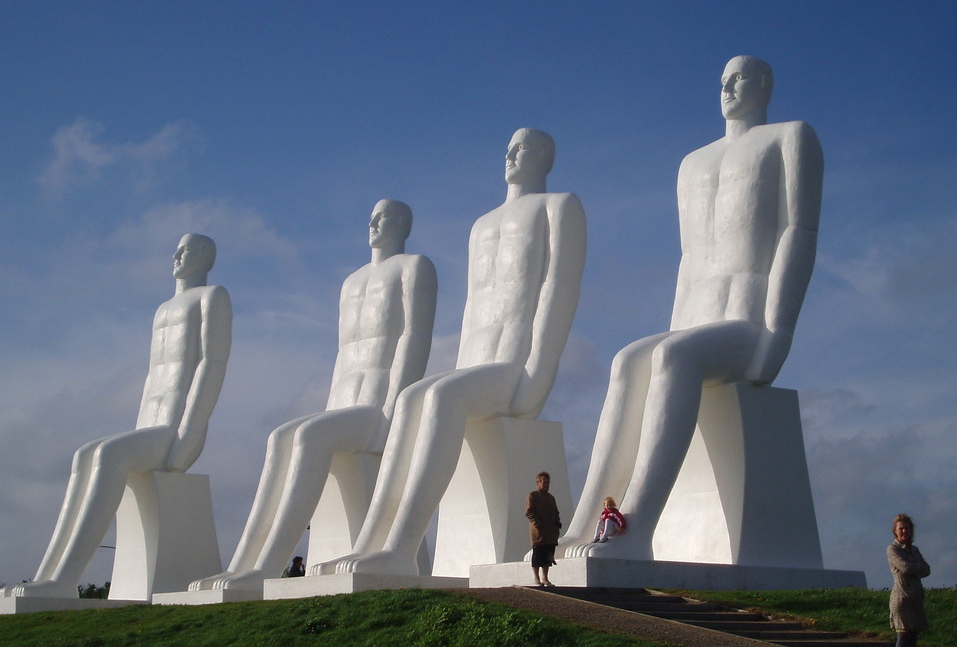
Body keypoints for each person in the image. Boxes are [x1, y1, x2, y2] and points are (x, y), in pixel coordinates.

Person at [561, 56, 823, 561]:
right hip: (697, 319)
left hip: (746, 320)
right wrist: (675, 328)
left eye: (739, 77)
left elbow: (799, 233)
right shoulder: (692, 163)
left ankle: (634, 528)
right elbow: (689, 258)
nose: (727, 87)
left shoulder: (790, 137)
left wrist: (779, 330)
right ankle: (588, 521)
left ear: (765, 84)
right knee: (627, 360)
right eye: (721, 79)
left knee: (673, 357)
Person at [311, 128, 586, 578]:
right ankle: (371, 544)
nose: (512, 155)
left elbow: (559, 288)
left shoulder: (559, 207)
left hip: (513, 366)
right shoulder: (481, 226)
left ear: (547, 158)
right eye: (509, 148)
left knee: (437, 398)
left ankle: (401, 546)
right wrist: (458, 368)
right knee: (411, 399)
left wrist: (540, 372)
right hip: (475, 361)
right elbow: (475, 306)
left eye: (525, 148)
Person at [188, 200, 436, 594]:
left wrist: (391, 413)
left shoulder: (414, 267)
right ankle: (242, 565)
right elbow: (344, 353)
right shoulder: (351, 283)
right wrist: (329, 408)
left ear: (403, 223)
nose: (373, 222)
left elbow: (414, 338)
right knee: (281, 437)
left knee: (307, 437)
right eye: (370, 216)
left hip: (376, 407)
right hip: (345, 401)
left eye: (383, 216)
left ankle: (267, 566)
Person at [1, 234, 232, 599]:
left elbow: (211, 364)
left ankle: (65, 579)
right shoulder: (162, 310)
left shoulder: (212, 297)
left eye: (185, 249)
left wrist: (192, 429)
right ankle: (49, 575)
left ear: (206, 256)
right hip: (148, 421)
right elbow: (152, 374)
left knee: (108, 455)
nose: (175, 256)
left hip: (172, 427)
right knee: (85, 456)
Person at [888, 513, 930, 647]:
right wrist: (916, 568)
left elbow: (926, 569)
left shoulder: (915, 550)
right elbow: (905, 567)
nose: (904, 531)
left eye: (906, 528)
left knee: (912, 639)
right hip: (902, 598)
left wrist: (915, 568)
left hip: (915, 598)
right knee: (903, 636)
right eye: (900, 529)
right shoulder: (892, 549)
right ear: (895, 532)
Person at [526, 471, 561, 587]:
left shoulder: (551, 498)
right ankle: (536, 578)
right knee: (537, 555)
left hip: (550, 533)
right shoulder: (533, 496)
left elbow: (556, 511)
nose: (546, 484)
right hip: (538, 533)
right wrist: (537, 523)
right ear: (538, 482)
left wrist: (557, 522)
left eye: (547, 482)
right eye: (544, 482)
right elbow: (529, 512)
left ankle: (545, 578)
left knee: (548, 556)